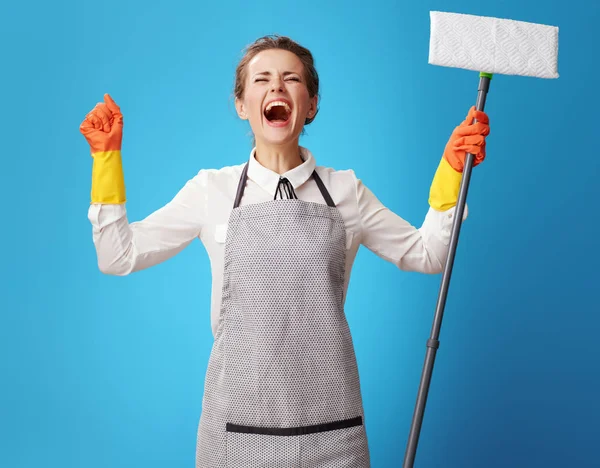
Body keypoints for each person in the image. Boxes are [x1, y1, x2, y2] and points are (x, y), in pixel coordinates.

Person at [80, 35, 489, 468]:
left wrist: (450, 173)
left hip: (333, 432)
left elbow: (429, 253)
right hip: (234, 430)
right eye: (262, 79)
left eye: (290, 78)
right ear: (242, 104)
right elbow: (117, 255)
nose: (276, 87)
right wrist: (106, 160)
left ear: (310, 104)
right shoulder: (210, 191)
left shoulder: (344, 190)